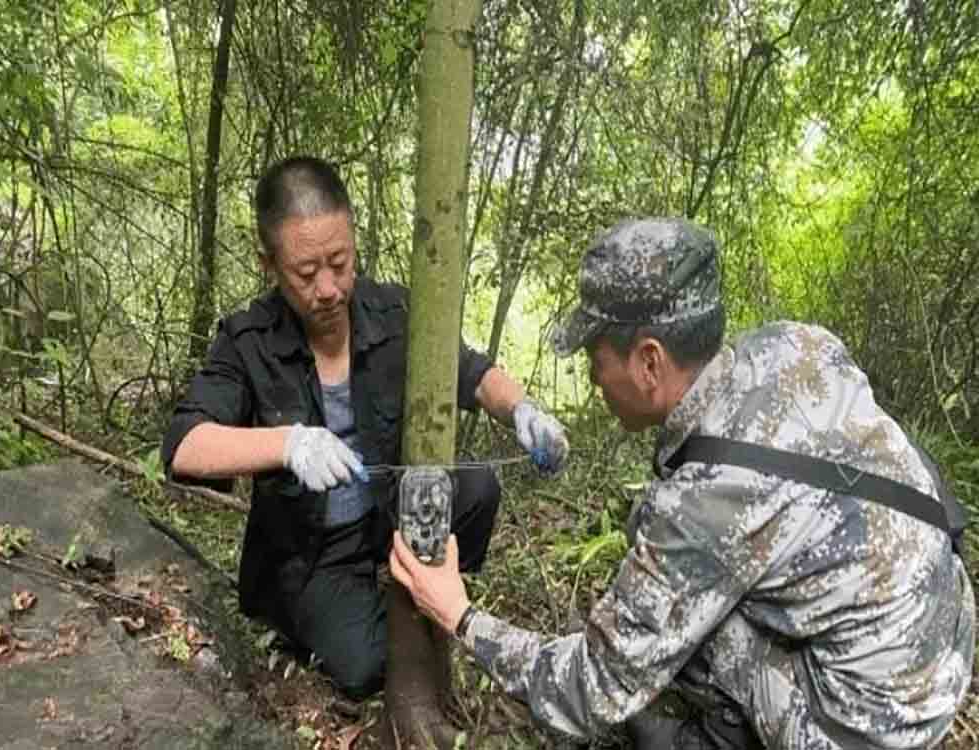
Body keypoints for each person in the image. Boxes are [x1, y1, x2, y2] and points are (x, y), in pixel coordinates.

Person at [390, 217, 975, 749]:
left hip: (871, 724)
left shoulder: (701, 509)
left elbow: (588, 691)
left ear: (649, 362)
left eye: (596, 357)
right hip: (941, 646)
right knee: (660, 560)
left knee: (685, 631)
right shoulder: (796, 343)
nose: (593, 378)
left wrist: (461, 616)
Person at [161, 155, 569, 700]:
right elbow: (185, 446)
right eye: (306, 274)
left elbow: (471, 372)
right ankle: (338, 614)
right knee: (368, 667)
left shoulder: (392, 311)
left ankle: (420, 592)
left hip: (386, 516)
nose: (329, 288)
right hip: (312, 554)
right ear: (270, 265)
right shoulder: (247, 340)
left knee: (476, 489)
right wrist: (290, 443)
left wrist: (523, 411)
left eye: (340, 262)